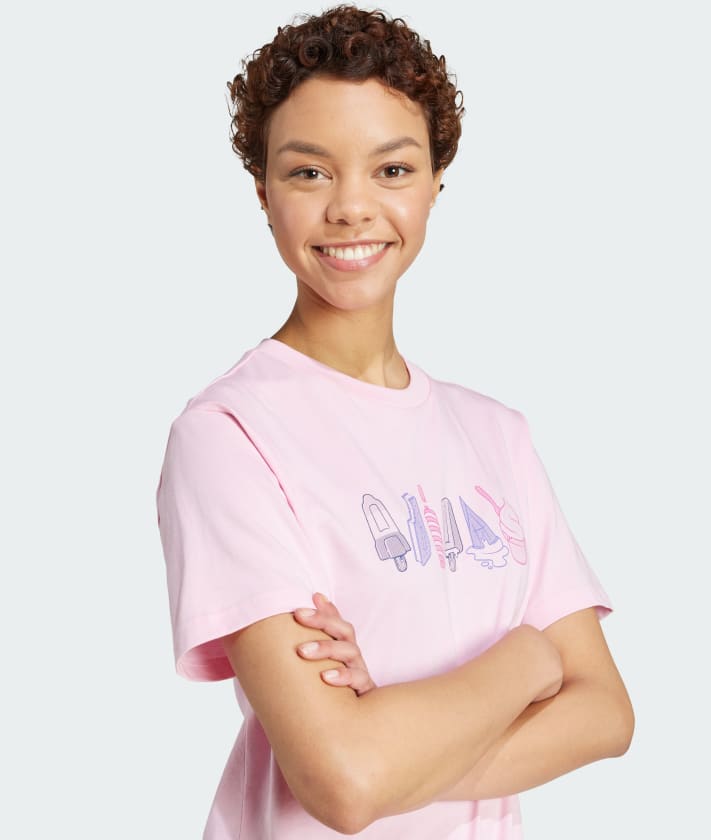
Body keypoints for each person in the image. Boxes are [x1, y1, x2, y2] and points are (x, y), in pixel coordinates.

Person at [155, 5, 634, 838]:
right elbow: (342, 782)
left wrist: (391, 755)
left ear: (436, 182)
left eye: (393, 168)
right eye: (309, 172)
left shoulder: (497, 435)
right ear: (263, 191)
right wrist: (529, 658)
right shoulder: (230, 434)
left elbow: (606, 714)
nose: (351, 207)